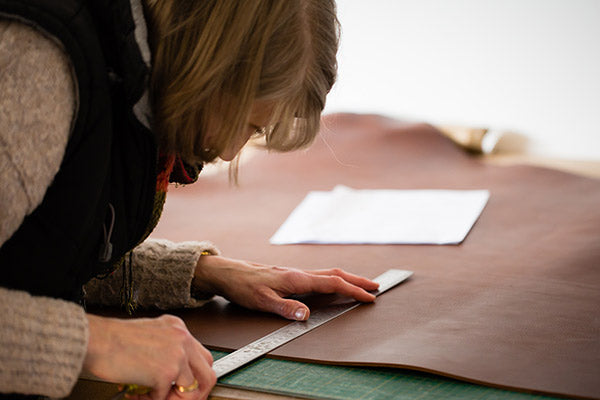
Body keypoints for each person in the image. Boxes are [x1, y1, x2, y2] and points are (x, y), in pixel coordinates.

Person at [0, 1, 379, 399]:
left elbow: (38, 250)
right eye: (243, 124)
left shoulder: (130, 77)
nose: (231, 152)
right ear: (209, 69)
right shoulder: (33, 67)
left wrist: (200, 272)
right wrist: (94, 344)